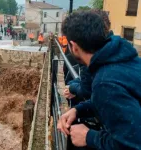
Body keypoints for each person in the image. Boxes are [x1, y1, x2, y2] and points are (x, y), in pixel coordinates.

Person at [58, 10, 141, 149]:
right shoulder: (122, 58)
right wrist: (78, 110)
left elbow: (133, 145)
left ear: (74, 47)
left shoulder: (105, 82)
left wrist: (89, 137)